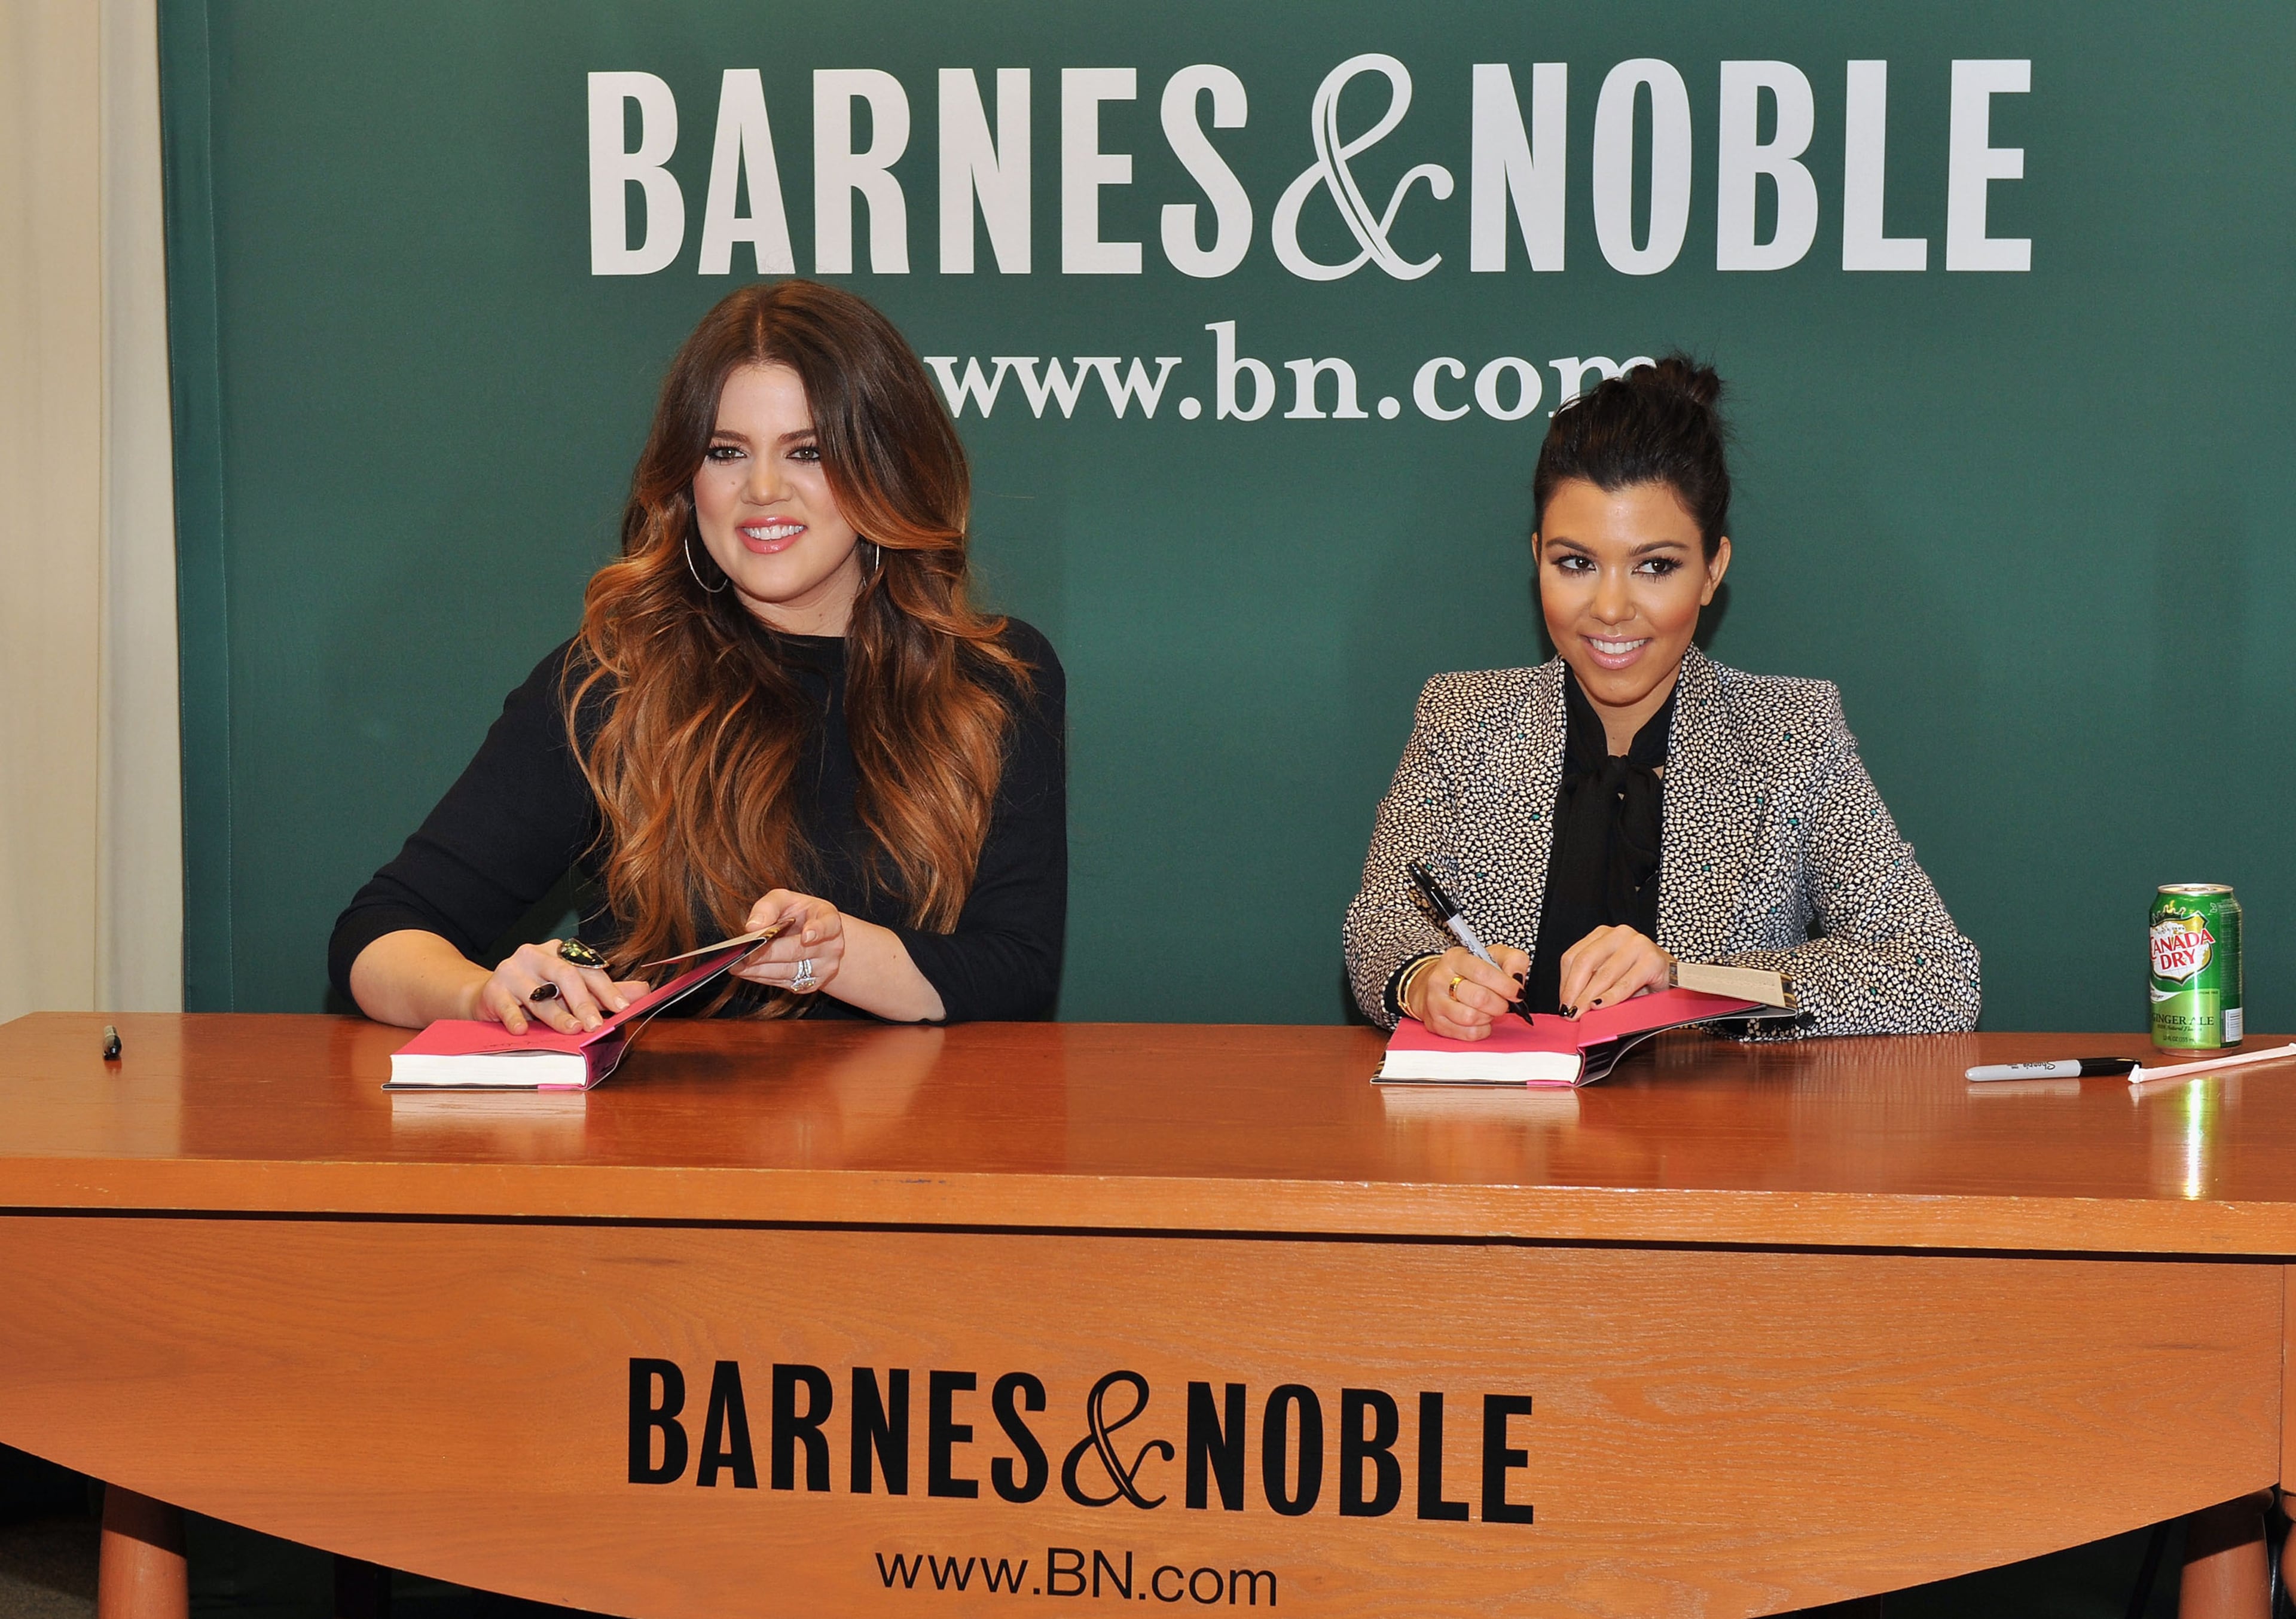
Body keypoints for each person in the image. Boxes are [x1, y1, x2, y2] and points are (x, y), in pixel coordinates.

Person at [332, 279, 1064, 1030]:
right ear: (687, 479)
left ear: (884, 466)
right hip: (662, 1142)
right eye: (726, 452)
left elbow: (1019, 972)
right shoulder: (610, 683)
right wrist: (483, 996)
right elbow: (381, 931)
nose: (764, 490)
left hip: (917, 1141)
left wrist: (837, 954)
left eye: (808, 451)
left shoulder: (993, 680)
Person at [1342, 356, 1979, 1040]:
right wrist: (1422, 979)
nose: (1611, 607)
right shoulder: (1461, 716)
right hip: (1499, 1139)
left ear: (1713, 571)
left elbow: (1937, 973)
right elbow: (1381, 919)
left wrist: (1689, 982)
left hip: (1715, 1141)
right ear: (1537, 560)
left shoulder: (1793, 731)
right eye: (1576, 563)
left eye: (1655, 566)